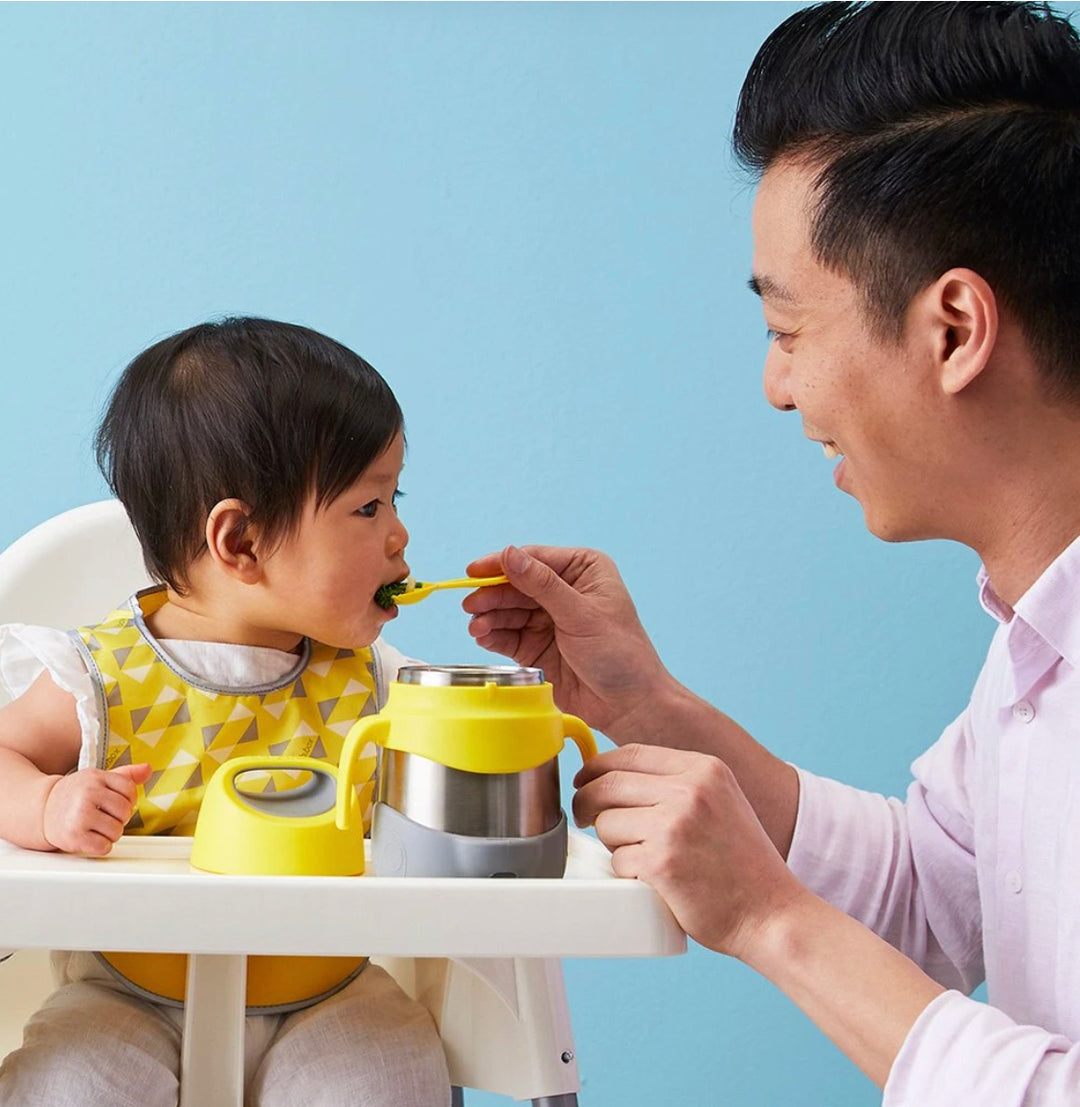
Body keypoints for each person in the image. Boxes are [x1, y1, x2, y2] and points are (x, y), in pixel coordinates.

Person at [463, 3, 1080, 1104]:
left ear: (953, 331)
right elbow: (939, 890)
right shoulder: (1038, 645)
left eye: (789, 330)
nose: (777, 386)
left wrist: (770, 920)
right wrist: (646, 706)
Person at [0, 318, 450, 1106]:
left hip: (329, 988)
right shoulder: (103, 678)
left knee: (388, 1075)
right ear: (239, 540)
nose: (400, 532)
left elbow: (465, 778)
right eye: (368, 506)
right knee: (71, 1083)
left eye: (394, 498)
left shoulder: (375, 683)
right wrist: (44, 801)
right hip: (130, 991)